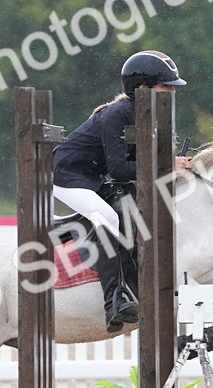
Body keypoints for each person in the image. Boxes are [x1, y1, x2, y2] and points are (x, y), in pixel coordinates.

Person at [52, 50, 192, 331]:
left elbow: (141, 164)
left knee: (129, 213)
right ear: (142, 89)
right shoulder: (118, 114)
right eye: (165, 87)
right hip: (66, 175)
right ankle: (113, 300)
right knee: (108, 216)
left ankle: (139, 287)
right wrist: (167, 165)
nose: (171, 93)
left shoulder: (146, 116)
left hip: (92, 177)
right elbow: (120, 169)